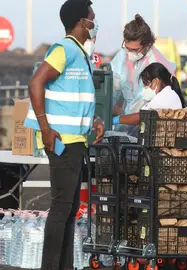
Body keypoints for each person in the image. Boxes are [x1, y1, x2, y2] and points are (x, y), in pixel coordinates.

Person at [23, 0, 104, 269]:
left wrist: (94, 121)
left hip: (76, 140)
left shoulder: (80, 53)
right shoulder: (65, 49)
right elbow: (36, 81)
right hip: (61, 142)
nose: (95, 23)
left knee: (69, 210)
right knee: (61, 209)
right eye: (92, 18)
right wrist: (45, 127)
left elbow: (76, 97)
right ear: (82, 21)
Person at [111, 14, 175, 135]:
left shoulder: (156, 65)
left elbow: (143, 108)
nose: (130, 53)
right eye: (127, 48)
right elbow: (113, 82)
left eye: (134, 50)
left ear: (148, 45)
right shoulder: (123, 55)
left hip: (149, 126)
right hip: (128, 119)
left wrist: (119, 118)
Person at [112, 63, 186, 126]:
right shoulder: (166, 94)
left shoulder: (166, 97)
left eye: (146, 84)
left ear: (156, 82)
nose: (144, 88)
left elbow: (141, 117)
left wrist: (115, 120)